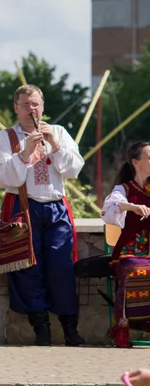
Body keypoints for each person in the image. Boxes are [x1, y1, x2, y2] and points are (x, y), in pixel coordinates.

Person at [0, 84, 85, 346]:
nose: (31, 109)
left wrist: (54, 143)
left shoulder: (60, 132)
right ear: (16, 108)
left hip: (55, 206)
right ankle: (40, 327)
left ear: (42, 106)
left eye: (35, 104)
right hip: (23, 207)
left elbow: (74, 169)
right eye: (25, 105)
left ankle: (69, 327)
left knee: (62, 267)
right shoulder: (5, 137)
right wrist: (25, 153)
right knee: (28, 268)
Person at [101, 141, 150, 348]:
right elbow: (110, 206)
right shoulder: (124, 189)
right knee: (136, 271)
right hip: (130, 250)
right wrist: (131, 206)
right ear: (136, 162)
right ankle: (122, 328)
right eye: (149, 157)